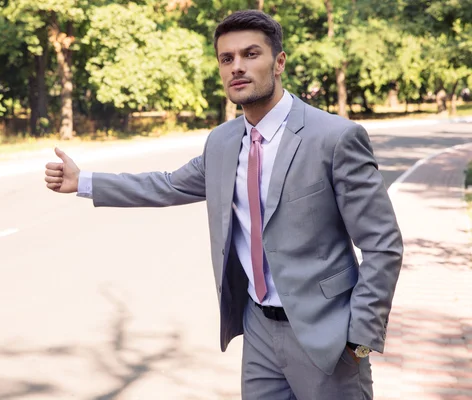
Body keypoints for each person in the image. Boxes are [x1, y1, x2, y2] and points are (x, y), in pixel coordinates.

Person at [44, 10, 403, 400]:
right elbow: (167, 185)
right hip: (259, 332)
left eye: (251, 54)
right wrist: (84, 182)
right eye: (226, 59)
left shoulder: (334, 138)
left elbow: (383, 245)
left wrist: (359, 340)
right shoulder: (223, 141)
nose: (237, 67)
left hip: (327, 336)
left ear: (279, 62)